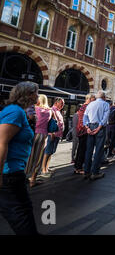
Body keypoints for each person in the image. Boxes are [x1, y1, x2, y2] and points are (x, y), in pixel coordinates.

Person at [0, 82, 39, 235]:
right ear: (28, 94)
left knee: (24, 210)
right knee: (20, 215)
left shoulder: (19, 112)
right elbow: (2, 142)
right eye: (35, 92)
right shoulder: (15, 112)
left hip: (15, 172)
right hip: (8, 173)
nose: (37, 95)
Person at [25, 94, 52, 187]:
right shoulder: (49, 111)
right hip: (43, 135)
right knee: (39, 157)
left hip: (34, 133)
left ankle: (23, 176)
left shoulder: (35, 109)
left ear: (39, 100)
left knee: (29, 155)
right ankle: (33, 179)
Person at [83, 91, 109, 180]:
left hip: (90, 126)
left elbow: (85, 117)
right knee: (98, 150)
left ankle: (86, 171)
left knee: (89, 150)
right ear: (104, 97)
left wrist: (87, 127)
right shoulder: (105, 104)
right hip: (100, 128)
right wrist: (99, 127)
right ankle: (95, 172)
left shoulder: (90, 104)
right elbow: (105, 118)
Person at [42, 97, 65, 176]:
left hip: (57, 135)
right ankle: (43, 169)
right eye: (61, 103)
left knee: (51, 152)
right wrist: (50, 133)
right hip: (52, 135)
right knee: (47, 152)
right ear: (56, 102)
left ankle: (47, 167)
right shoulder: (52, 110)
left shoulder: (58, 111)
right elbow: (48, 123)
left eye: (63, 103)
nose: (63, 105)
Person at [74, 94, 95, 175]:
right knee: (82, 150)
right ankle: (79, 168)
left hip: (81, 130)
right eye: (94, 99)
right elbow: (85, 119)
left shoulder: (83, 106)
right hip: (84, 130)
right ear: (89, 99)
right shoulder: (87, 107)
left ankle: (77, 166)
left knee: (80, 149)